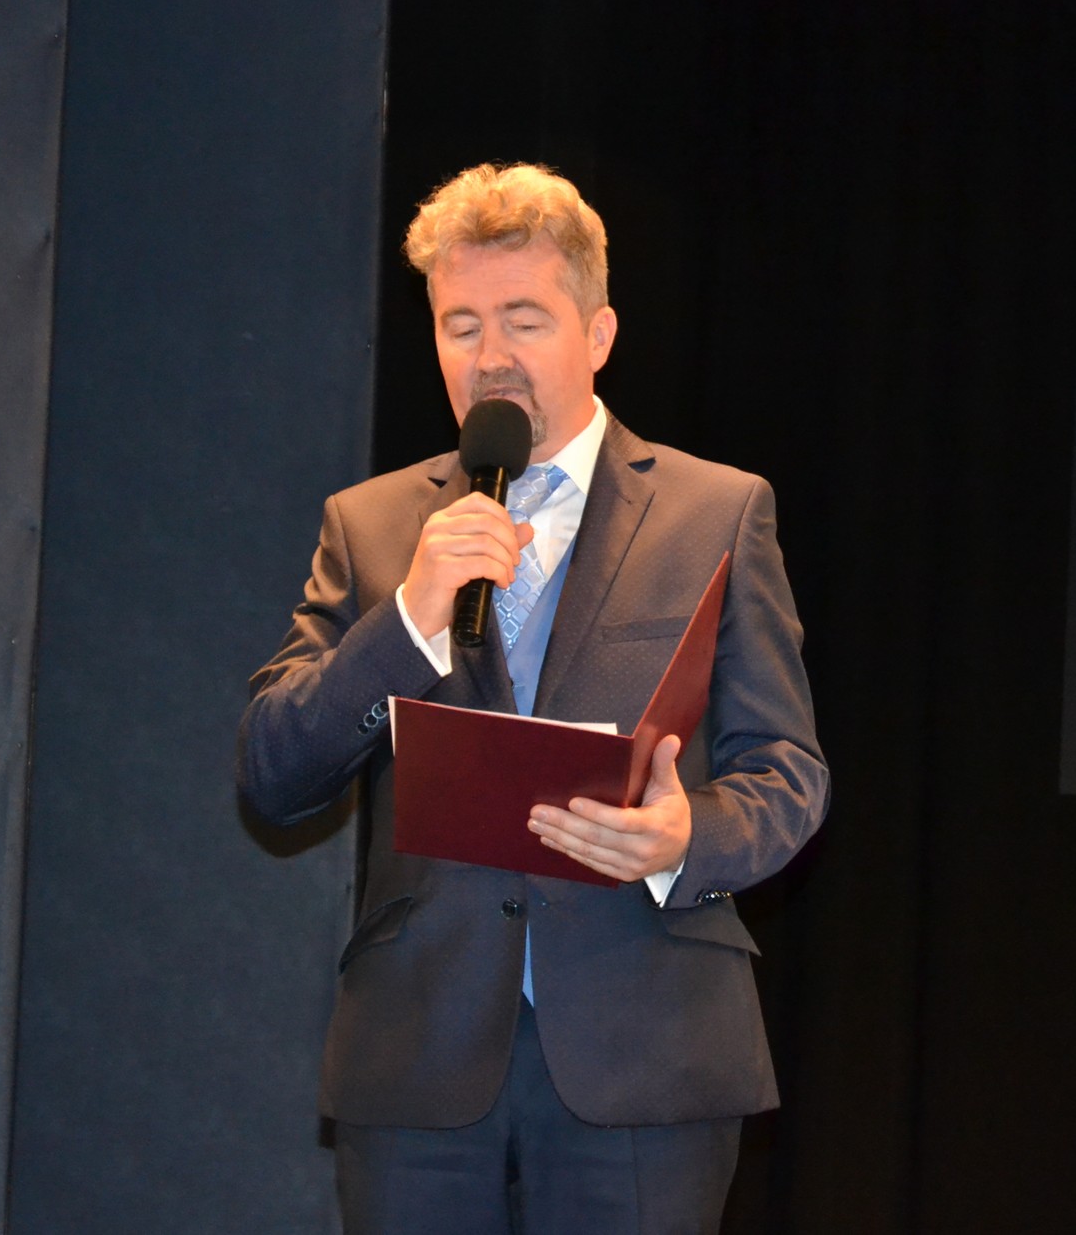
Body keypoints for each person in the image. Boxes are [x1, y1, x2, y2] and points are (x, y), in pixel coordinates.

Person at [236, 162, 827, 1234]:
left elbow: (788, 776)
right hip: (419, 1058)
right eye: (460, 325)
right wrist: (408, 618)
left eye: (523, 318)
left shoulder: (716, 511)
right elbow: (274, 771)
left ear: (597, 333)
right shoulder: (373, 525)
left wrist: (683, 835)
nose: (490, 355)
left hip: (644, 1051)